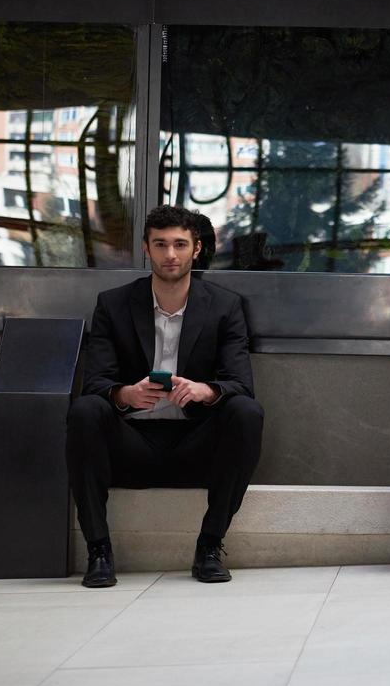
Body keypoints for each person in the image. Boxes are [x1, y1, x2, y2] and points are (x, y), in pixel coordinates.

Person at [66, 205, 264, 587]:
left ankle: (210, 545)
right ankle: (99, 550)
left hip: (195, 444)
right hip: (131, 444)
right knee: (86, 410)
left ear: (197, 250)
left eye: (179, 244)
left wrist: (206, 391)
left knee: (246, 412)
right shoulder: (114, 304)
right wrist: (125, 394)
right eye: (160, 245)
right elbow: (96, 382)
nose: (170, 254)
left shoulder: (224, 306)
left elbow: (240, 382)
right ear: (146, 249)